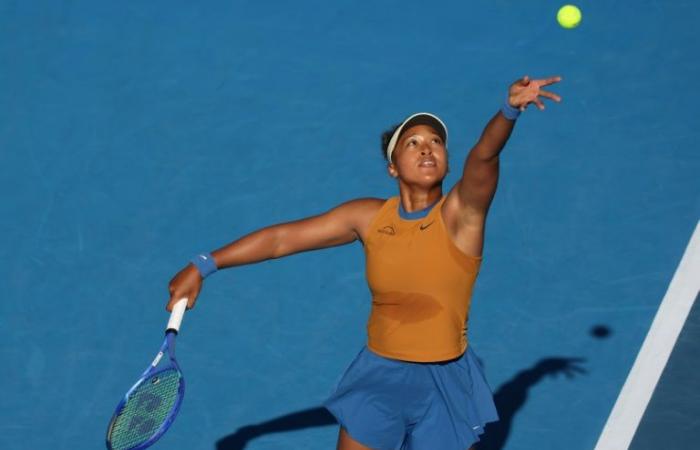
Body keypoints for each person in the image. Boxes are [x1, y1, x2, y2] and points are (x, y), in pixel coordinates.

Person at [166, 75, 562, 450]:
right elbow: (282, 239)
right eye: (413, 143)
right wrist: (205, 264)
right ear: (393, 167)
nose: (427, 147)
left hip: (446, 381)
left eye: (436, 142)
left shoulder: (462, 216)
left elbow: (484, 155)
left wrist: (508, 111)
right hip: (380, 377)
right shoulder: (369, 218)